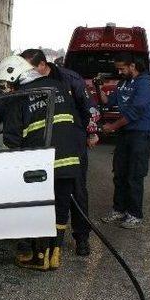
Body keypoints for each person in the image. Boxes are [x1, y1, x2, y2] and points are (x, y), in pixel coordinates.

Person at [0, 55, 83, 271]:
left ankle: (39, 256)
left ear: (14, 77)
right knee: (61, 208)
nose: (8, 89)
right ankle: (55, 255)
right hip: (69, 160)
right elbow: (75, 118)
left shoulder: (20, 97)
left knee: (39, 209)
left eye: (7, 85)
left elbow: (11, 140)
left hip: (40, 166)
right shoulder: (59, 87)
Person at [20, 49, 99, 256]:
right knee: (44, 190)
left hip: (72, 141)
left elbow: (89, 108)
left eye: (30, 68)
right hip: (42, 144)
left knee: (77, 191)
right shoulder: (26, 82)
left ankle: (82, 238)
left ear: (43, 65)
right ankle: (48, 237)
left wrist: (91, 134)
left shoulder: (69, 79)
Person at [99, 53, 150, 229]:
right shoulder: (124, 83)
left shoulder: (145, 84)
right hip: (126, 132)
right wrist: (97, 89)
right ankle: (119, 209)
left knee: (134, 175)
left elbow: (134, 113)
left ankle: (135, 214)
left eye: (122, 68)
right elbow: (109, 102)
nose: (119, 71)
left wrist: (112, 126)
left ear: (132, 66)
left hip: (141, 132)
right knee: (120, 172)